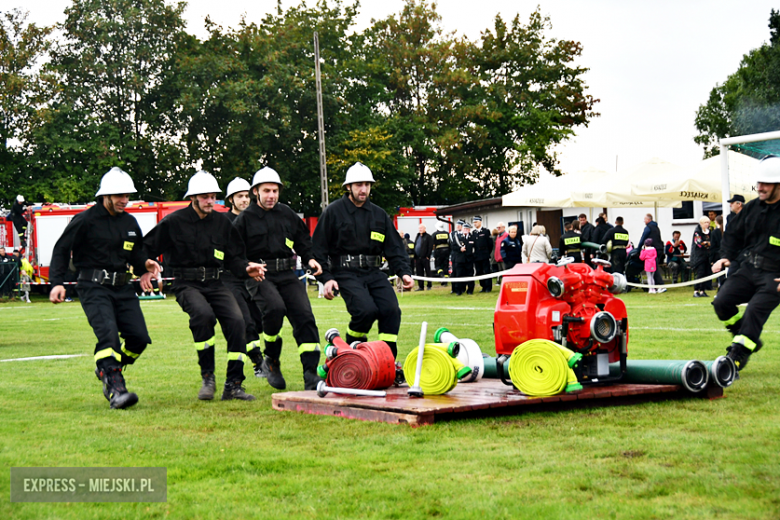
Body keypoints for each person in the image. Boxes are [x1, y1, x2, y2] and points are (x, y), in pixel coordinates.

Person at [145, 170, 265, 401]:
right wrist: (146, 265)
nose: (210, 201)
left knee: (238, 321)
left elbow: (234, 258)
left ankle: (234, 385)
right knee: (203, 316)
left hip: (216, 282)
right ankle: (208, 377)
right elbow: (147, 247)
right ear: (193, 198)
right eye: (205, 196)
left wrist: (246, 268)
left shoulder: (222, 223)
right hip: (186, 283)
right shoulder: (173, 222)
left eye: (213, 196)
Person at [48, 167, 161, 409]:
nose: (125, 200)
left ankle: (108, 369)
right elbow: (60, 250)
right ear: (105, 196)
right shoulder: (85, 220)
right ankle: (116, 388)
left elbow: (137, 252)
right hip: (93, 287)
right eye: (120, 195)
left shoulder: (130, 222)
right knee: (108, 336)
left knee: (139, 339)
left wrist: (145, 264)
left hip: (123, 289)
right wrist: (56, 282)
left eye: (127, 195)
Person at [232, 167, 323, 390]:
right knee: (274, 308)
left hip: (287, 273)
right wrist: (246, 266)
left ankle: (310, 374)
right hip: (259, 275)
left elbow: (303, 240)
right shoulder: (244, 220)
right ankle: (271, 360)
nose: (271, 195)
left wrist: (310, 259)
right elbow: (232, 251)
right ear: (256, 192)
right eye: (266, 191)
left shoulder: (287, 214)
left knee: (304, 316)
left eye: (275, 190)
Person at [312, 162, 413, 358]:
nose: (363, 189)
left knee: (391, 310)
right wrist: (326, 278)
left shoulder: (378, 215)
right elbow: (318, 249)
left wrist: (404, 272)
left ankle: (387, 360)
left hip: (374, 273)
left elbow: (394, 248)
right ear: (348, 187)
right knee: (365, 311)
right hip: (345, 273)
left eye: (367, 184)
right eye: (359, 185)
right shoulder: (333, 212)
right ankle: (351, 353)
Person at [711, 156, 780, 371]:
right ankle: (746, 335)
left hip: (774, 276)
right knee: (721, 302)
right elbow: (733, 234)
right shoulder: (751, 208)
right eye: (758, 183)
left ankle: (736, 357)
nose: (759, 188)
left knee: (754, 311)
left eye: (766, 183)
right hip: (748, 269)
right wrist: (726, 256)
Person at [222, 177, 265, 378]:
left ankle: (261, 359)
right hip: (231, 279)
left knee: (260, 320)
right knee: (245, 321)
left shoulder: (256, 220)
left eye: (246, 196)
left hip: (253, 277)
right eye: (239, 197)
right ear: (231, 199)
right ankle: (258, 362)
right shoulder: (224, 222)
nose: (245, 200)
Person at [638, 214, 667, 293]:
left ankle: (660, 285)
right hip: (659, 248)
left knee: (655, 268)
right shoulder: (656, 227)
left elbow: (643, 238)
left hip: (654, 249)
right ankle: (657, 286)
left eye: (645, 219)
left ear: (648, 219)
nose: (644, 221)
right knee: (655, 267)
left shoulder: (648, 228)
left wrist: (638, 248)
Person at [691, 216, 712, 298]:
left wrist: (708, 243)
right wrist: (707, 243)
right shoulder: (697, 232)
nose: (707, 224)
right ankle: (696, 290)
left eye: (708, 223)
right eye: (706, 222)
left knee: (706, 273)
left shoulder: (709, 231)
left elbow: (711, 241)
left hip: (707, 255)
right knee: (700, 273)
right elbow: (699, 243)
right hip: (699, 256)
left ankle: (702, 290)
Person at [472, 216, 493, 293]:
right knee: (479, 271)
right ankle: (483, 286)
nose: (475, 224)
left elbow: (490, 244)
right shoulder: (473, 233)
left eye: (476, 222)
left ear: (480, 222)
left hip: (484, 254)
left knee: (486, 271)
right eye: (474, 222)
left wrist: (487, 253)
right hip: (477, 255)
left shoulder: (486, 231)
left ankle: (488, 287)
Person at [413, 224, 433, 291]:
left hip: (425, 258)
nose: (420, 229)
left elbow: (430, 247)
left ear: (425, 229)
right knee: (419, 272)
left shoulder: (428, 237)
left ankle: (429, 285)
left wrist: (428, 256)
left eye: (421, 228)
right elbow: (415, 245)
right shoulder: (418, 236)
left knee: (428, 272)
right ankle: (421, 286)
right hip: (418, 258)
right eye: (419, 228)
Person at [460, 222, 476, 295]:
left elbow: (475, 248)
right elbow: (454, 247)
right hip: (461, 259)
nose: (465, 230)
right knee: (462, 274)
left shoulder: (472, 237)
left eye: (467, 229)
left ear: (469, 230)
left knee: (470, 274)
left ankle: (470, 290)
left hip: (469, 259)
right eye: (464, 228)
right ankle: (462, 288)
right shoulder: (459, 237)